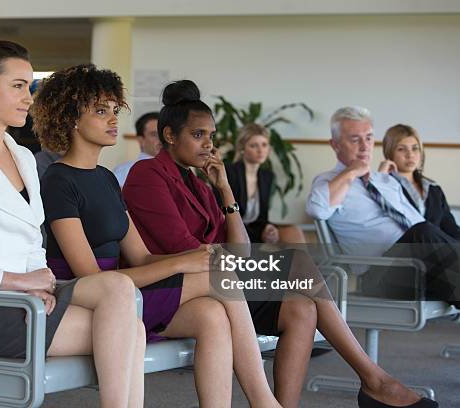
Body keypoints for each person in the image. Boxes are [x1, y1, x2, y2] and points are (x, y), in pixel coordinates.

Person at [123, 84, 435, 408]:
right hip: (177, 284)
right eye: (198, 135)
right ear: (171, 136)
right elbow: (185, 249)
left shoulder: (199, 183)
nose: (209, 145)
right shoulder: (147, 174)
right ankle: (374, 379)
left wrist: (226, 191)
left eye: (211, 135)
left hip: (218, 279)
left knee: (302, 309)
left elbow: (239, 249)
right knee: (297, 263)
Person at [32, 64, 282, 408]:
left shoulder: (105, 178)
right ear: (71, 119)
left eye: (114, 110)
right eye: (100, 111)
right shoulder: (58, 181)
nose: (113, 119)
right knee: (221, 277)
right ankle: (265, 402)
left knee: (211, 314)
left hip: (127, 289)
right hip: (87, 296)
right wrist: (184, 262)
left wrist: (196, 261)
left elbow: (142, 258)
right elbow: (89, 278)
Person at [0, 41, 145, 408]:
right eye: (19, 85)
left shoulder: (23, 157)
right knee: (129, 329)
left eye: (30, 85)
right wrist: (19, 282)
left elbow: (29, 242)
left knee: (119, 289)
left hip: (27, 299)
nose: (29, 96)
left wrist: (36, 278)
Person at [307, 106, 460, 306]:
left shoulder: (387, 182)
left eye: (369, 138)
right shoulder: (327, 182)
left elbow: (417, 222)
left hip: (419, 268)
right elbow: (316, 208)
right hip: (380, 275)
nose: (365, 146)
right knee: (423, 233)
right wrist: (352, 172)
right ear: (335, 145)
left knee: (427, 230)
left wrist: (381, 177)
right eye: (355, 139)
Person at [226, 123, 306, 244]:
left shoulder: (267, 177)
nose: (260, 150)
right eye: (254, 145)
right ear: (242, 148)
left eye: (264, 145)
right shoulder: (230, 173)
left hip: (254, 230)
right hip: (233, 232)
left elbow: (262, 218)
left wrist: (268, 228)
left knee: (293, 232)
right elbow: (223, 216)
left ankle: (305, 263)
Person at [381, 124, 460, 240]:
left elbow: (451, 228)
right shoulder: (386, 186)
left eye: (415, 148)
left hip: (438, 253)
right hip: (405, 250)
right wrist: (381, 177)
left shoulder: (433, 188)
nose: (410, 155)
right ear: (389, 153)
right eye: (401, 149)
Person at [113, 112, 161, 187]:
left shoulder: (178, 168)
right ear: (141, 140)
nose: (161, 139)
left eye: (162, 134)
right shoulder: (125, 171)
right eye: (154, 135)